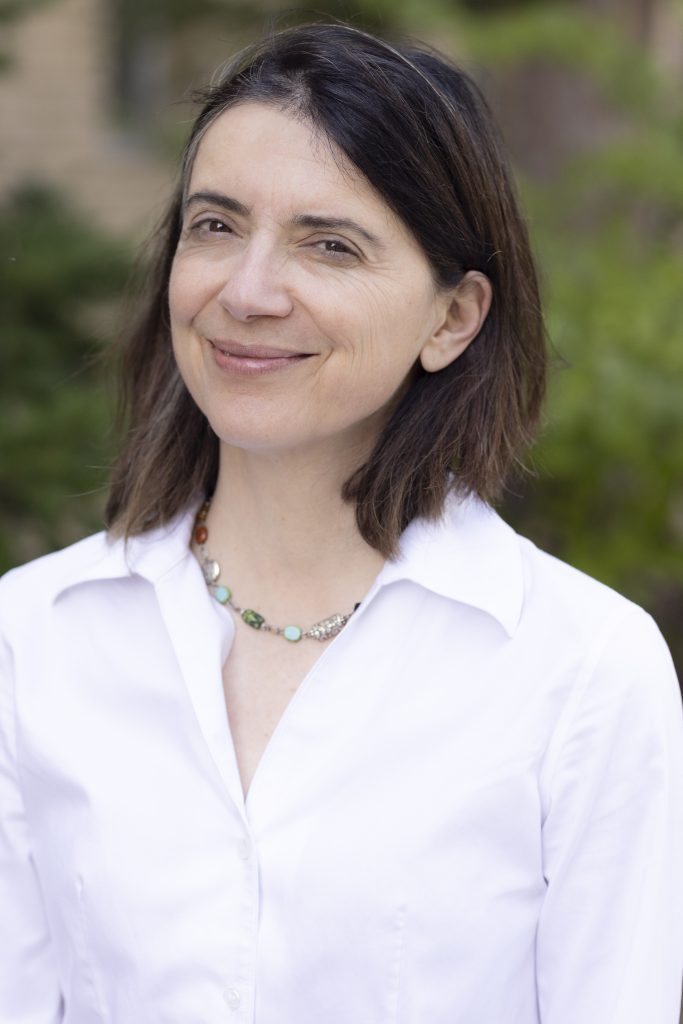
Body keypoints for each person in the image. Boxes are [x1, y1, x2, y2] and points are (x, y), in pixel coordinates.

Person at [1, 21, 681, 1024]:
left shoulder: (579, 671)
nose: (247, 291)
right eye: (215, 225)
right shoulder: (35, 634)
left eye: (329, 244)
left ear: (452, 318)